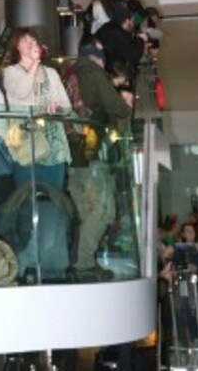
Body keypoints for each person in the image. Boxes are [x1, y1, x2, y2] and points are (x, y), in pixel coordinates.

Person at [65, 39, 133, 280]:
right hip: (92, 155)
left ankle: (81, 261)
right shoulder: (93, 73)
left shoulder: (71, 75)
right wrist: (125, 106)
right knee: (103, 211)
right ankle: (83, 263)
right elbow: (118, 108)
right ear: (97, 58)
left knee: (87, 213)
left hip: (74, 156)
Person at [3, 28, 71, 188]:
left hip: (54, 148)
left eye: (33, 40)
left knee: (54, 198)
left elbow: (67, 107)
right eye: (25, 40)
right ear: (16, 47)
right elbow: (21, 92)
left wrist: (57, 107)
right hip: (26, 147)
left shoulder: (51, 73)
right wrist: (34, 65)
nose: (31, 43)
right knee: (26, 197)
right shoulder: (11, 72)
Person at [96, 2, 147, 78]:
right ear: (126, 21)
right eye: (132, 21)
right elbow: (132, 56)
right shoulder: (115, 34)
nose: (133, 24)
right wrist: (141, 40)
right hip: (113, 74)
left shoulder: (110, 29)